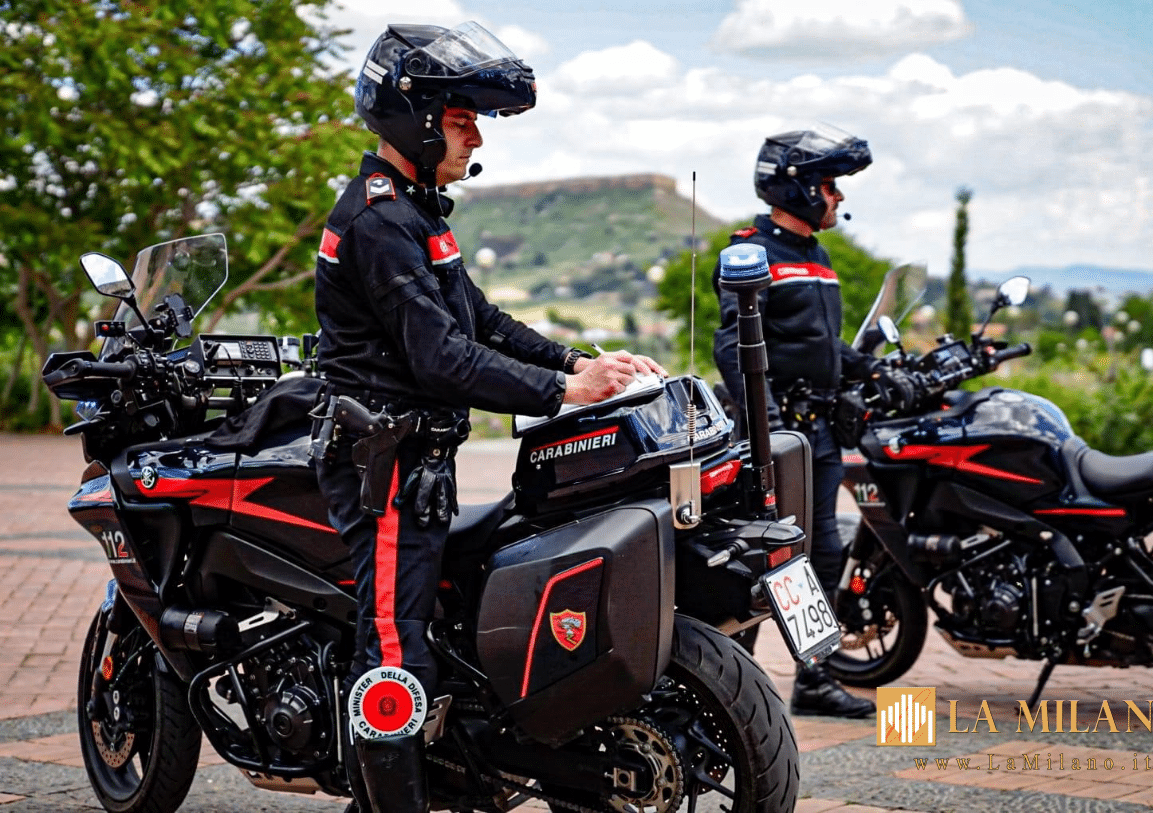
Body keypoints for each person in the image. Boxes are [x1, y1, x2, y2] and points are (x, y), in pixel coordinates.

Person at [312, 22, 665, 813]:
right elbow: (442, 359)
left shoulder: (417, 214)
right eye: (463, 116)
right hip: (384, 471)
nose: (475, 132)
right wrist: (562, 393)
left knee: (440, 628)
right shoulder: (378, 223)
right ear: (416, 117)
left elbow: (484, 322)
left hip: (417, 464)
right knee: (396, 659)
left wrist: (578, 364)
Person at [712, 126, 915, 718]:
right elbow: (733, 347)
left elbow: (822, 345)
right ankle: (729, 684)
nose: (838, 198)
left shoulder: (816, 257)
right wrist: (765, 426)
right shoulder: (752, 252)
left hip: (820, 433)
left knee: (824, 553)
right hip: (780, 435)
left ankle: (813, 677)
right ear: (797, 188)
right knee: (764, 557)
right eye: (830, 186)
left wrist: (873, 371)